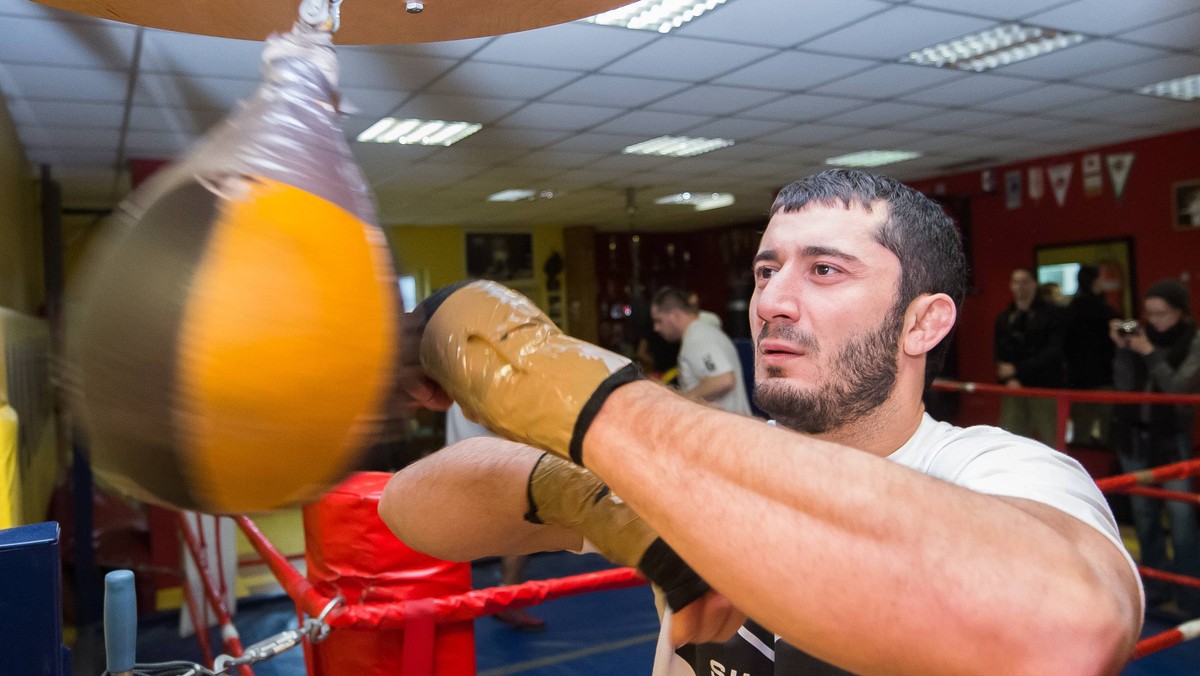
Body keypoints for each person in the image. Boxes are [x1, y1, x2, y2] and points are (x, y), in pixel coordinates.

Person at [390, 169, 1142, 674]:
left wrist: (575, 390)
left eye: (824, 270)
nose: (773, 301)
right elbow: (412, 508)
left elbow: (1073, 628)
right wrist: (612, 511)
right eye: (765, 270)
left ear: (924, 323)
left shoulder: (997, 472)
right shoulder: (709, 474)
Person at [1111, 278, 1200, 617]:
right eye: (1149, 313)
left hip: (1172, 438)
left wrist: (1149, 353)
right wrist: (1122, 349)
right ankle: (1155, 588)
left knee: (1181, 518)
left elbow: (1178, 386)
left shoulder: (1193, 342)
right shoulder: (1138, 339)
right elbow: (1123, 388)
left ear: (1179, 312)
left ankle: (1192, 596)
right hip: (1134, 435)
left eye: (1161, 314)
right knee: (1144, 515)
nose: (1154, 320)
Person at [443, 401, 547, 631]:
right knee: (523, 529)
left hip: (462, 460)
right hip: (490, 463)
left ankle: (448, 605)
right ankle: (505, 601)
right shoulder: (492, 373)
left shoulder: (455, 369)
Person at [650, 287, 752, 416]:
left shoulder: (698, 338)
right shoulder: (702, 332)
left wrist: (679, 400)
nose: (656, 328)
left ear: (675, 315)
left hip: (725, 430)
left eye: (659, 320)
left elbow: (723, 380)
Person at [993, 267, 1067, 445]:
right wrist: (1008, 378)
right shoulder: (1004, 318)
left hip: (1044, 388)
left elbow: (1053, 352)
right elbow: (999, 353)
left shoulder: (1051, 315)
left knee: (1052, 442)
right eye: (1016, 282)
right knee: (1011, 442)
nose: (1020, 286)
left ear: (1034, 284)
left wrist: (1018, 369)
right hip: (1013, 388)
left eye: (1025, 281)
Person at [1065, 264, 1121, 447]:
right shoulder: (1106, 311)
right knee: (1108, 434)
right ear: (1096, 282)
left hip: (1078, 383)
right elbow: (1126, 328)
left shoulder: (1070, 310)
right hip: (1104, 379)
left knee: (1081, 435)